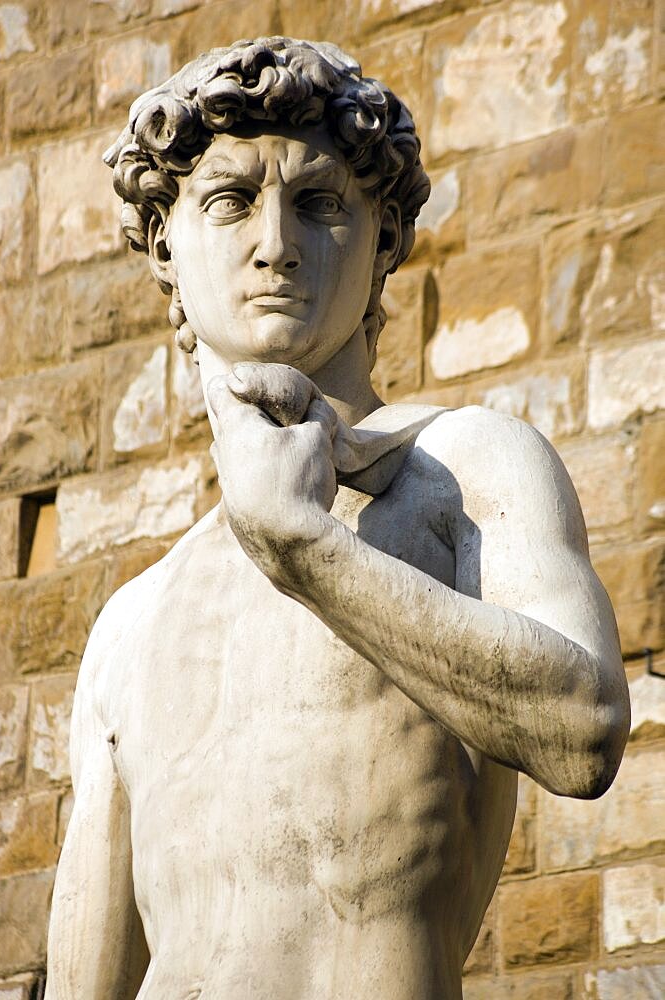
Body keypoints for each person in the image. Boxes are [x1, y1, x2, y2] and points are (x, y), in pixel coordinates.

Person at [45, 37, 630, 1000]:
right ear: (164, 245)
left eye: (318, 203)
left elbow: (587, 727)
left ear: (385, 239)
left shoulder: (463, 467)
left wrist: (309, 552)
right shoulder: (129, 628)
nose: (274, 242)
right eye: (230, 201)